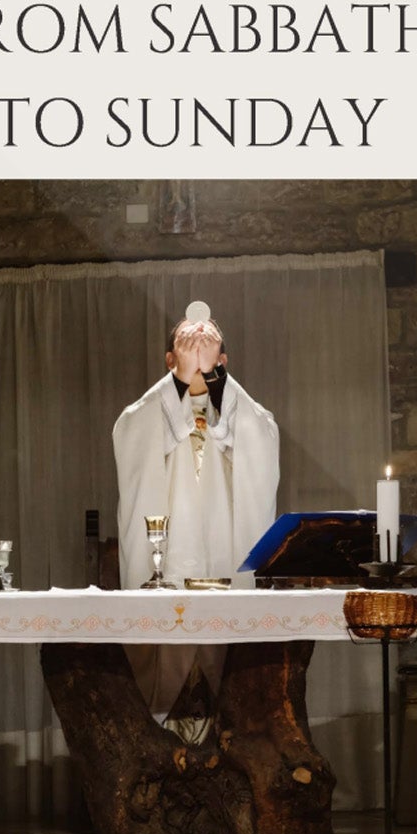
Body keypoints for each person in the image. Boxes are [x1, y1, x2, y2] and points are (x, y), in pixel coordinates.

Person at [112, 301, 279, 724]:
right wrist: (182, 380)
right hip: (169, 566)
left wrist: (214, 380)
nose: (198, 347)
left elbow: (263, 441)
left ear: (223, 362)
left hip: (227, 566)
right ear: (170, 360)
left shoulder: (244, 415)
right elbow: (129, 435)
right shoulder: (145, 416)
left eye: (209, 350)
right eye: (187, 346)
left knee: (235, 706)